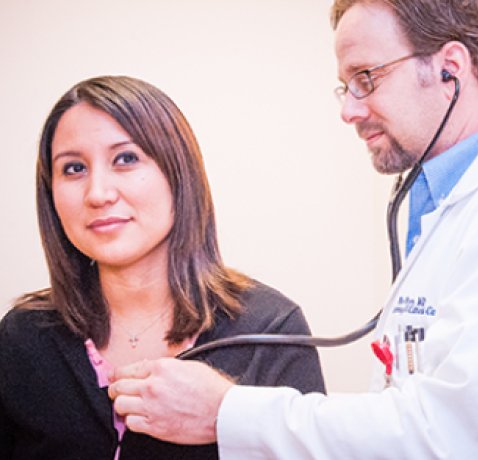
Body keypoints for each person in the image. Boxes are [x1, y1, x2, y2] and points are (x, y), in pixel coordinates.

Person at [108, 1, 478, 458]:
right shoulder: (444, 207)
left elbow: (461, 442)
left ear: (450, 68)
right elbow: (408, 415)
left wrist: (228, 412)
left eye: (366, 78)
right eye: (344, 85)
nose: (348, 109)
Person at [0, 75, 326, 460]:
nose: (98, 194)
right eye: (73, 169)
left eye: (126, 159)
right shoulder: (23, 337)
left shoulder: (271, 330)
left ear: (178, 172)